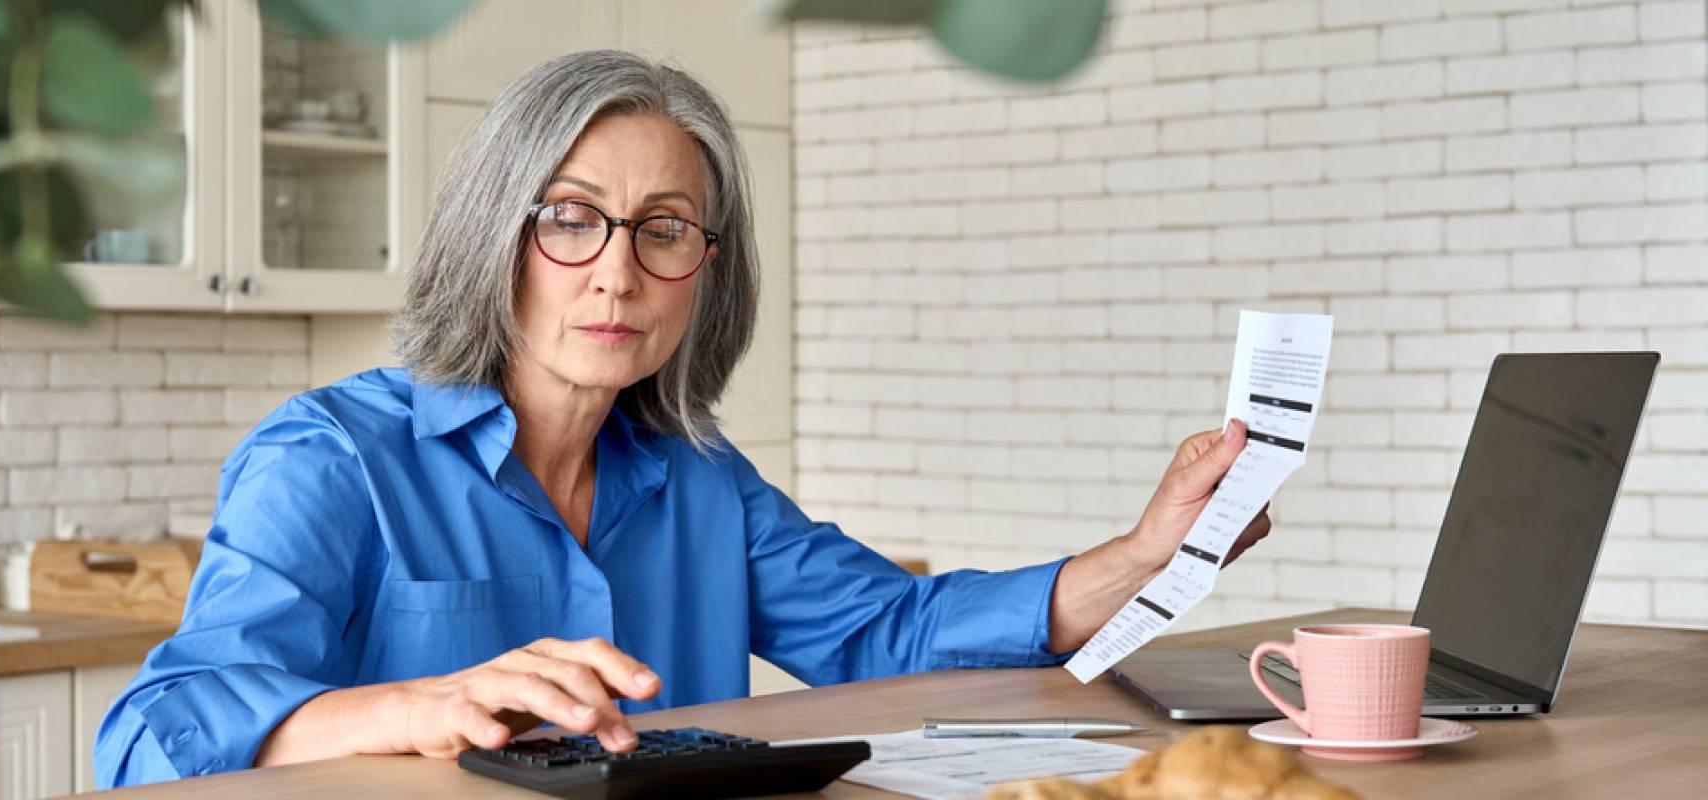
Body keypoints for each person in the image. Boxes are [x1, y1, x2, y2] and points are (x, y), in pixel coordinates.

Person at [95, 50, 1271, 788]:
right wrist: (422, 705)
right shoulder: (330, 458)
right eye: (570, 218)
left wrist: (1145, 554)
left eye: (663, 229)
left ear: (705, 269)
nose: (616, 272)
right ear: (494, 237)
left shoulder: (701, 477)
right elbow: (149, 737)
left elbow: (892, 632)